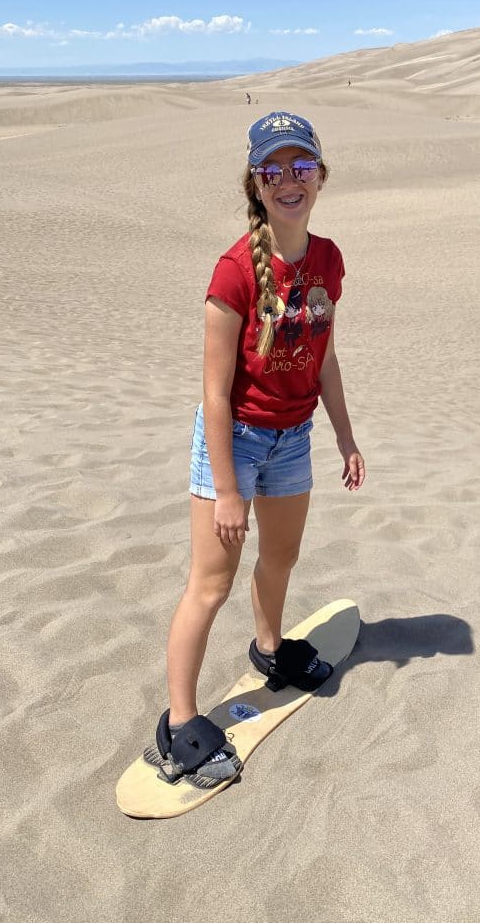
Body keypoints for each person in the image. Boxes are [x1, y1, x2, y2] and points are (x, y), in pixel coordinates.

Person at [148, 111, 366, 789]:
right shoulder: (235, 271)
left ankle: (270, 648)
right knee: (210, 585)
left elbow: (324, 360)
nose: (290, 181)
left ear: (321, 177)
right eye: (275, 170)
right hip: (234, 441)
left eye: (303, 167)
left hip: (294, 439)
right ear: (257, 182)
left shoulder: (327, 259)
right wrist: (229, 487)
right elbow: (214, 394)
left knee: (281, 558)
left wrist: (346, 436)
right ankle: (179, 724)